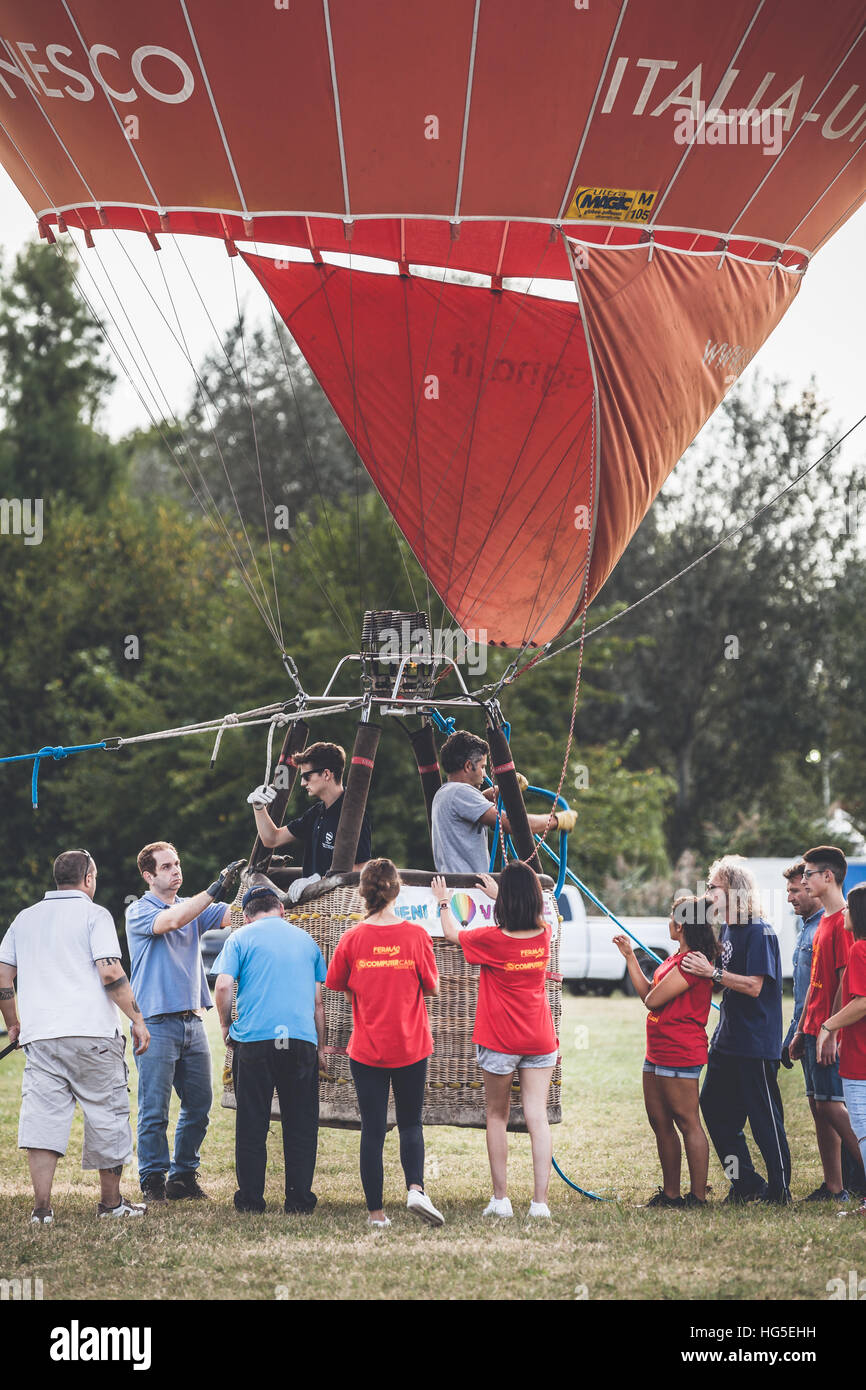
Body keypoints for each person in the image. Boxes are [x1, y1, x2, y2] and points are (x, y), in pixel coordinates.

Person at [0, 850, 150, 1222]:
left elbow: (3, 977)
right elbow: (109, 971)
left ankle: (41, 1210)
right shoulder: (94, 915)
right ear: (88, 878)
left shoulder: (25, 918)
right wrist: (136, 1018)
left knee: (42, 1121)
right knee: (107, 1115)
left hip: (42, 1037)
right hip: (92, 1034)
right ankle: (111, 1205)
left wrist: (14, 1023)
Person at [435, 861, 558, 1219]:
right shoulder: (544, 934)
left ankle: (501, 1200)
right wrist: (503, 894)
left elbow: (451, 933)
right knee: (537, 1118)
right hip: (540, 1039)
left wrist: (444, 901)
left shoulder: (491, 939)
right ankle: (540, 1204)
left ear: (505, 902)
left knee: (497, 1115)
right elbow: (543, 910)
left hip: (500, 1040)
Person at [325, 858, 443, 1228]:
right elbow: (432, 987)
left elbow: (340, 986)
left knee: (373, 1130)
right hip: (411, 1046)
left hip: (367, 1049)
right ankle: (415, 1189)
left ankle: (376, 1214)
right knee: (410, 1123)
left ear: (363, 892)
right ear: (397, 890)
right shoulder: (416, 936)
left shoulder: (352, 937)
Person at [126, 841, 244, 1203]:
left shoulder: (191, 906)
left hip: (192, 1021)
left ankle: (182, 1176)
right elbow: (173, 921)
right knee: (154, 1109)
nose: (175, 870)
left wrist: (256, 876)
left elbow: (237, 914)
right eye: (165, 867)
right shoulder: (140, 911)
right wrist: (214, 888)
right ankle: (152, 1180)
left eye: (177, 864)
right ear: (148, 876)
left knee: (199, 1105)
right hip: (156, 1023)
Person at [682, 854, 792, 1205]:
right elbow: (723, 981)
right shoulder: (727, 929)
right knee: (712, 1107)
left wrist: (711, 973)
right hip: (727, 1040)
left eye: (713, 886)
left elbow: (755, 986)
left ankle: (780, 1189)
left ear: (733, 892)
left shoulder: (760, 931)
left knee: (764, 1119)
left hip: (755, 1043)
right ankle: (744, 1181)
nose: (709, 892)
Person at [213, 885, 327, 1214]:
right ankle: (299, 1200)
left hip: (255, 1041)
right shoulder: (307, 941)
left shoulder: (240, 938)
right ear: (281, 909)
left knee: (252, 1121)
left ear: (247, 917)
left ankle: (250, 1201)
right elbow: (317, 1003)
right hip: (300, 1040)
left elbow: (222, 985)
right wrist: (319, 1047)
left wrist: (224, 1023)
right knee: (301, 1123)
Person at [613, 896, 717, 1209]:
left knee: (687, 1122)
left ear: (682, 924)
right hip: (657, 1050)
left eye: (671, 917)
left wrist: (651, 994)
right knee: (660, 1121)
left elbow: (653, 1001)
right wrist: (630, 956)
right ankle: (670, 1194)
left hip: (680, 1051)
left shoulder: (692, 962)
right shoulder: (675, 958)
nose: (668, 922)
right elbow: (648, 993)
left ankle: (697, 1198)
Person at [787, 845, 866, 1201]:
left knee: (833, 1104)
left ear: (827, 876)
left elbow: (845, 980)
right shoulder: (823, 923)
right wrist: (803, 1028)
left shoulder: (845, 922)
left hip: (829, 1032)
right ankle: (834, 1187)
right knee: (819, 1106)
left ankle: (860, 1178)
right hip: (813, 1027)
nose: (803, 881)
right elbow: (815, 982)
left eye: (808, 875)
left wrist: (829, 1031)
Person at [431, 729, 576, 875]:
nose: (484, 773)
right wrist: (557, 821)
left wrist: (506, 787)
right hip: (467, 889)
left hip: (455, 884)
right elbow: (513, 823)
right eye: (482, 767)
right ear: (468, 766)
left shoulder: (445, 793)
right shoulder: (461, 793)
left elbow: (478, 802)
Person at [248, 741, 372, 899]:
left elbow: (362, 866)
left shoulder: (352, 814)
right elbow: (272, 839)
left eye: (307, 776)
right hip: (316, 906)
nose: (302, 783)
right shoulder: (316, 813)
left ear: (326, 774)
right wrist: (258, 807)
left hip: (340, 906)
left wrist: (320, 881)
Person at [819, 883, 866, 1217]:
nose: (844, 913)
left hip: (859, 1061)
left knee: (863, 1135)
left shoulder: (860, 950)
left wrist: (827, 1025)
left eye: (849, 907)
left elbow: (862, 1002)